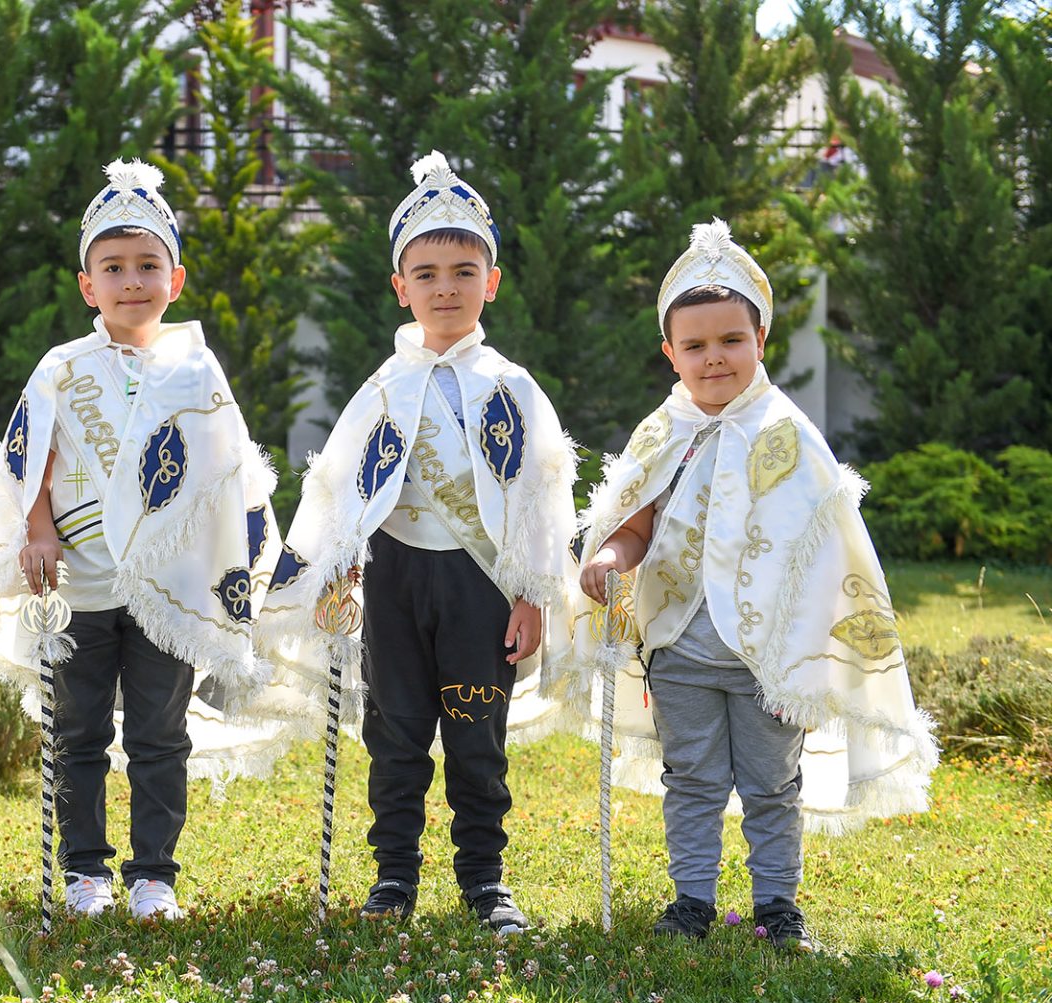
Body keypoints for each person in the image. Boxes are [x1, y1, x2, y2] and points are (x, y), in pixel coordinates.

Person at [576, 218, 937, 949]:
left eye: (731, 340)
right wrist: (610, 556)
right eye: (695, 346)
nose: (714, 358)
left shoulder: (789, 434)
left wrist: (806, 656)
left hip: (768, 659)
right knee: (692, 779)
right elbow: (635, 523)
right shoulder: (663, 434)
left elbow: (826, 548)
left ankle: (777, 905)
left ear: (761, 339)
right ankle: (692, 901)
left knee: (773, 784)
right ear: (670, 352)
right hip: (680, 649)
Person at [254, 151, 580, 934]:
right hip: (395, 583)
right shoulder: (384, 388)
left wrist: (533, 594)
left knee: (476, 742)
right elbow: (340, 486)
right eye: (426, 274)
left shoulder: (513, 387)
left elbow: (540, 496)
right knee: (395, 737)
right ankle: (393, 877)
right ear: (401, 287)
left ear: (491, 282)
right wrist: (332, 570)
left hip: (481, 589)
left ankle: (484, 881)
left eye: (464, 272)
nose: (445, 288)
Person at [0, 159, 281, 922]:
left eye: (148, 265)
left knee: (158, 734)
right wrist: (36, 531)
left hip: (167, 587)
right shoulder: (61, 369)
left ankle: (153, 876)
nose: (132, 281)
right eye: (113, 267)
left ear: (176, 280)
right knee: (76, 730)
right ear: (88, 286)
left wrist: (234, 561)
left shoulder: (195, 368)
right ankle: (85, 872)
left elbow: (230, 470)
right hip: (77, 582)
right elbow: (27, 459)